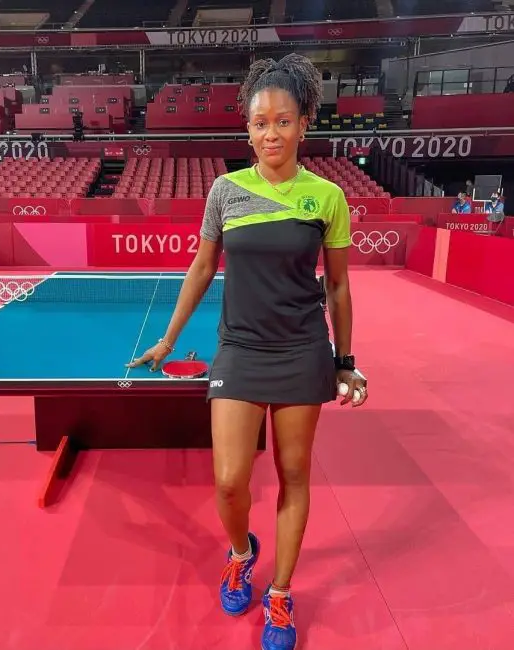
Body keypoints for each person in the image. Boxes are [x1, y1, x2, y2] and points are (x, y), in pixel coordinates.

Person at [126, 53, 368, 650]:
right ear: (248, 128)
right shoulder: (226, 191)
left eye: (283, 121)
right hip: (238, 347)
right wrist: (169, 338)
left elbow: (338, 286)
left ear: (304, 123)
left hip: (302, 349)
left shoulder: (327, 197)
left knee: (293, 474)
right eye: (260, 123)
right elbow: (202, 266)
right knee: (230, 480)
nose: (271, 134)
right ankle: (241, 553)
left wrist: (345, 360)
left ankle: (280, 593)